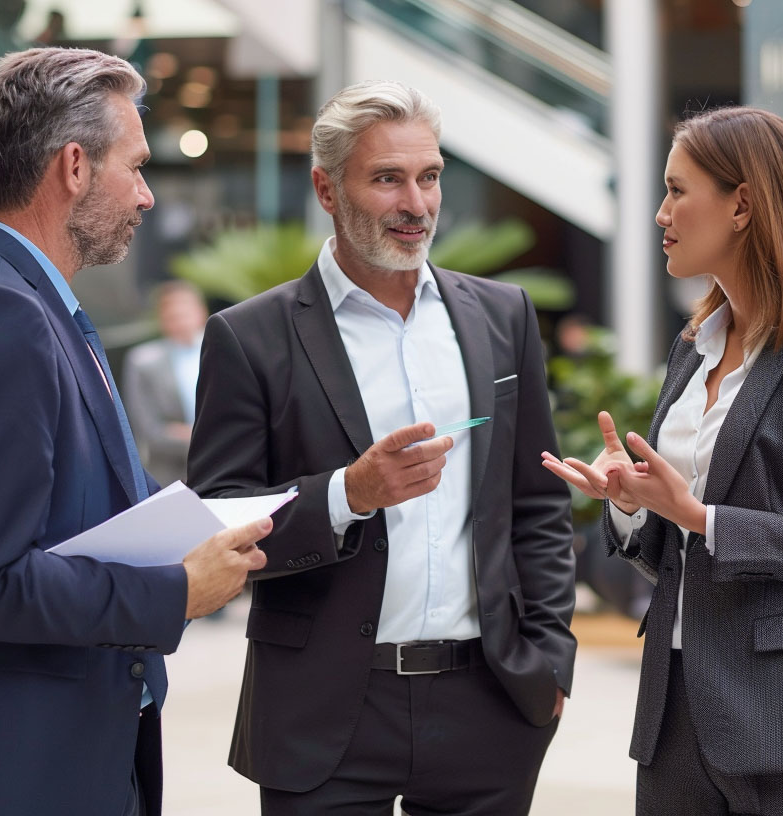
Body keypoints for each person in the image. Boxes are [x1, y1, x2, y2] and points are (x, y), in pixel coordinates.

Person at [0, 48, 269, 816]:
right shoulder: (0, 316)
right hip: (8, 768)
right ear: (75, 167)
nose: (147, 196)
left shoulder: (31, 307)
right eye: (136, 166)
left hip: (49, 754)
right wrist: (177, 591)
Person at [188, 80, 577, 815]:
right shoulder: (250, 338)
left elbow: (536, 503)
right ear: (326, 189)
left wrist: (550, 658)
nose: (417, 204)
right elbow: (221, 515)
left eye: (428, 177)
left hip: (489, 703)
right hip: (324, 708)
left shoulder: (502, 315)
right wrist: (347, 495)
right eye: (387, 179)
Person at [542, 106, 783, 816]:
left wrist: (705, 517)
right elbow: (676, 553)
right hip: (675, 718)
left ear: (742, 203)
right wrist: (631, 504)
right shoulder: (694, 347)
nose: (660, 213)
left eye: (678, 190)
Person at [122, 281, 207, 486]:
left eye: (184, 313)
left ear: (201, 312)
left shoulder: (224, 352)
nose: (180, 322)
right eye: (172, 316)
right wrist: (208, 437)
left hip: (228, 469)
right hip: (172, 477)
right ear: (161, 320)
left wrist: (185, 431)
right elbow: (149, 430)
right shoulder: (142, 362)